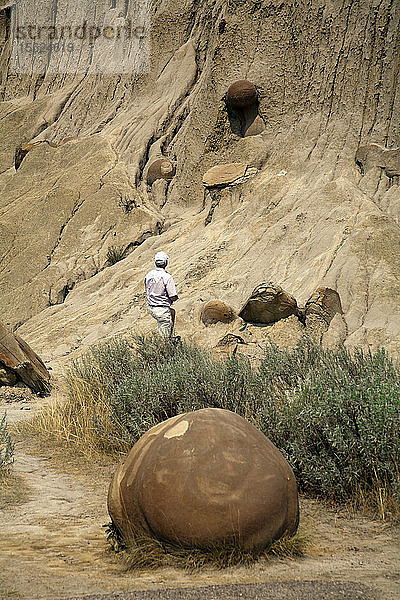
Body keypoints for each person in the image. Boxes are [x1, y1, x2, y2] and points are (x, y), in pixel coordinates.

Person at [144, 251, 178, 339]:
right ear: (166, 262)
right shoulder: (167, 277)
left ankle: (170, 336)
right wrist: (175, 297)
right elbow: (172, 296)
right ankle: (165, 344)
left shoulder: (149, 275)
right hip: (161, 309)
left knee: (172, 312)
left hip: (151, 307)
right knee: (164, 334)